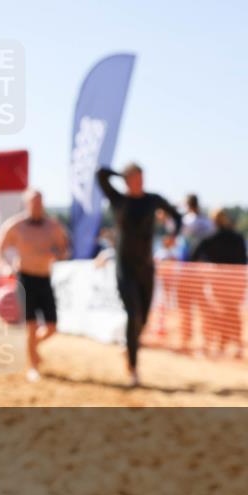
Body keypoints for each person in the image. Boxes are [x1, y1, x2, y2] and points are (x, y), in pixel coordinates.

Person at [97, 163, 182, 386]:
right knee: (132, 313)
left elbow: (177, 215)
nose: (139, 182)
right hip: (124, 268)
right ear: (127, 180)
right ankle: (133, 369)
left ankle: (130, 347)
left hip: (146, 267)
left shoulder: (152, 200)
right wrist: (120, 174)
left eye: (141, 178)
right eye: (134, 178)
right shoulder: (118, 200)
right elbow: (100, 173)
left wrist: (173, 234)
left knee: (143, 318)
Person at [0, 189, 69, 382]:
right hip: (25, 278)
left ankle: (33, 348)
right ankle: (33, 366)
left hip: (45, 278)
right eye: (33, 202)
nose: (37, 206)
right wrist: (5, 267)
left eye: (40, 202)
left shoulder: (53, 226)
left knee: (52, 327)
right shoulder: (16, 225)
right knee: (32, 325)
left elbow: (63, 250)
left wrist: (58, 253)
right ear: (26, 204)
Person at [192, 208, 248, 357]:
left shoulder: (209, 238)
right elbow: (244, 261)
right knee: (233, 312)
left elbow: (193, 256)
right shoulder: (238, 237)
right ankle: (236, 345)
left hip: (217, 282)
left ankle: (221, 345)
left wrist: (206, 265)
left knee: (218, 313)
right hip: (236, 282)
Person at [177, 194, 214, 351]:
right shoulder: (207, 221)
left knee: (186, 306)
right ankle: (205, 339)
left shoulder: (188, 220)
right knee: (203, 305)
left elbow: (175, 228)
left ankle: (187, 339)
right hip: (202, 268)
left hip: (187, 269)